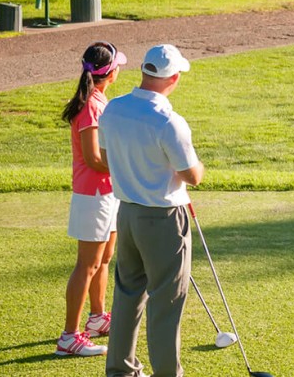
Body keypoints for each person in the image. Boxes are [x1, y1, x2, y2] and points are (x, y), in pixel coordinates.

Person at [99, 44, 202, 377]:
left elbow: (105, 153)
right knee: (166, 302)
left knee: (128, 293)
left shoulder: (113, 108)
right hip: (163, 220)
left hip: (126, 214)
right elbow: (193, 176)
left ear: (144, 72)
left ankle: (120, 370)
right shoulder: (169, 121)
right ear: (173, 78)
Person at [55, 41, 127, 357]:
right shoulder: (91, 107)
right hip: (94, 194)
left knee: (104, 258)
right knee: (87, 264)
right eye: (117, 65)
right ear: (109, 73)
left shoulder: (98, 100)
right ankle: (69, 337)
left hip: (107, 192)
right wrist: (127, 166)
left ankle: (97, 318)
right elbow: (93, 158)